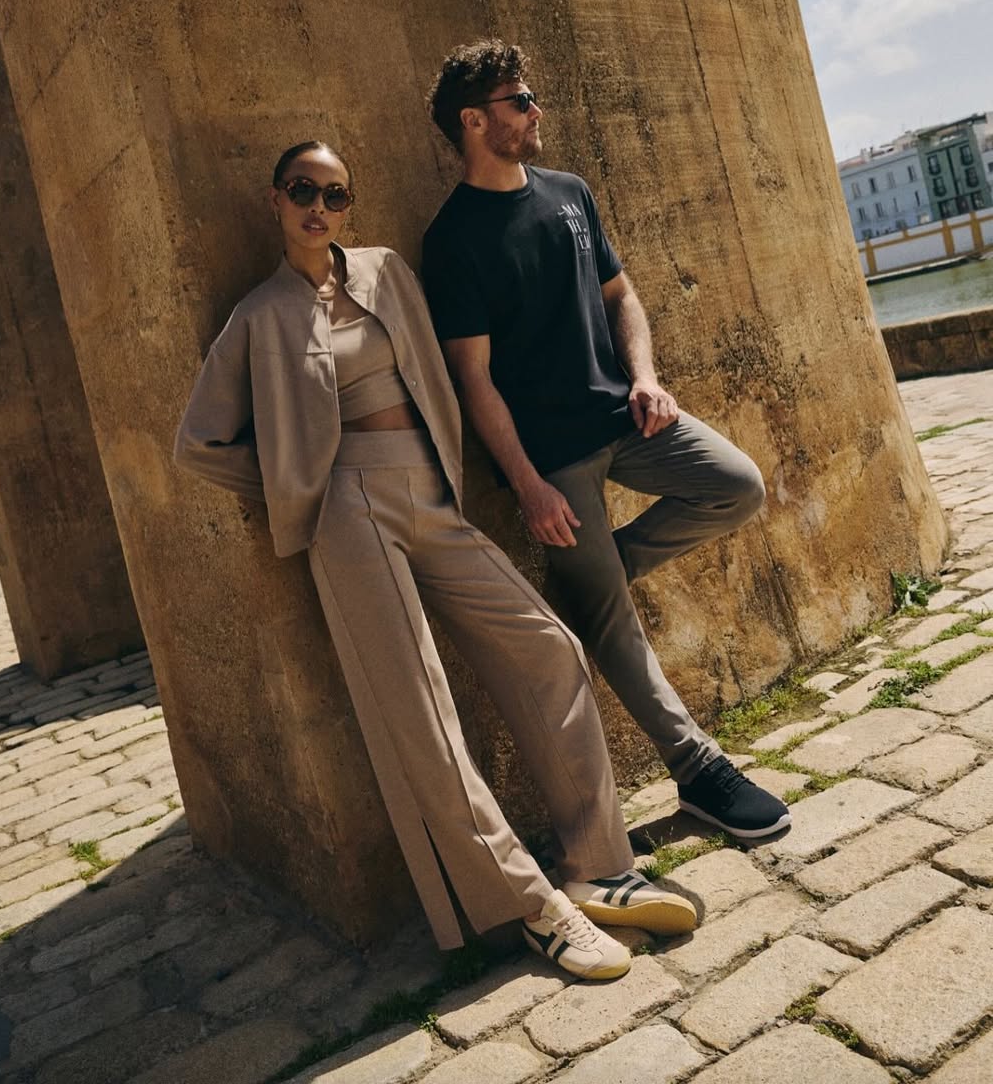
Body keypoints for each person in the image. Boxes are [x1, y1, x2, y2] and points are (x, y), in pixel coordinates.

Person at [174, 140, 700, 981]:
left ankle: (597, 866)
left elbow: (441, 376)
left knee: (549, 648)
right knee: (422, 715)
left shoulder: (387, 272)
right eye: (303, 190)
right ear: (275, 199)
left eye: (336, 194)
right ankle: (534, 908)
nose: (319, 207)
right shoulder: (259, 317)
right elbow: (198, 444)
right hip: (346, 510)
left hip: (430, 491)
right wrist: (295, 483)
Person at [421, 43, 790, 840]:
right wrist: (528, 485)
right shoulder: (452, 240)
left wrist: (646, 377)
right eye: (520, 101)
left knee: (738, 485)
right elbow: (473, 379)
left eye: (531, 96)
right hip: (554, 460)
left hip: (628, 419)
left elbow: (623, 297)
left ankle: (602, 575)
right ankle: (700, 772)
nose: (536, 110)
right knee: (613, 627)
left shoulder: (570, 194)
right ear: (474, 121)